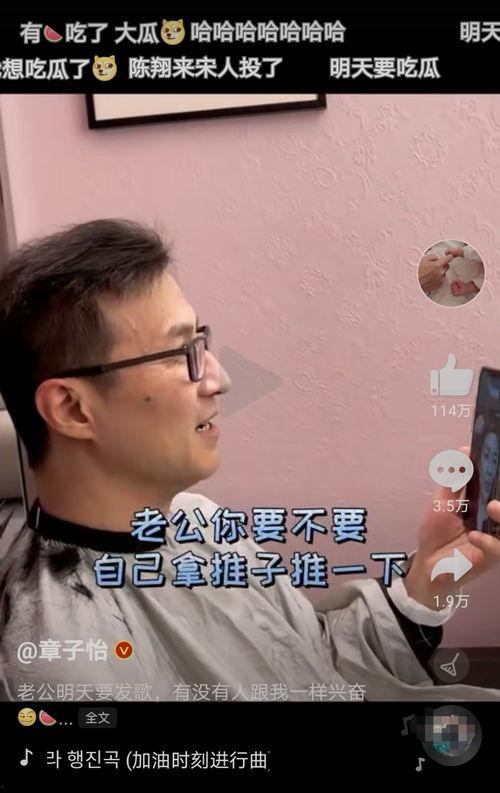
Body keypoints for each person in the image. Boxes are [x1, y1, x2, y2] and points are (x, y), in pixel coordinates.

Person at [0, 219, 499, 704]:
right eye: (178, 353)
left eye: (199, 343)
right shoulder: (68, 669)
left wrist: (427, 581)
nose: (220, 380)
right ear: (72, 408)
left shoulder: (198, 519)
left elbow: (308, 662)